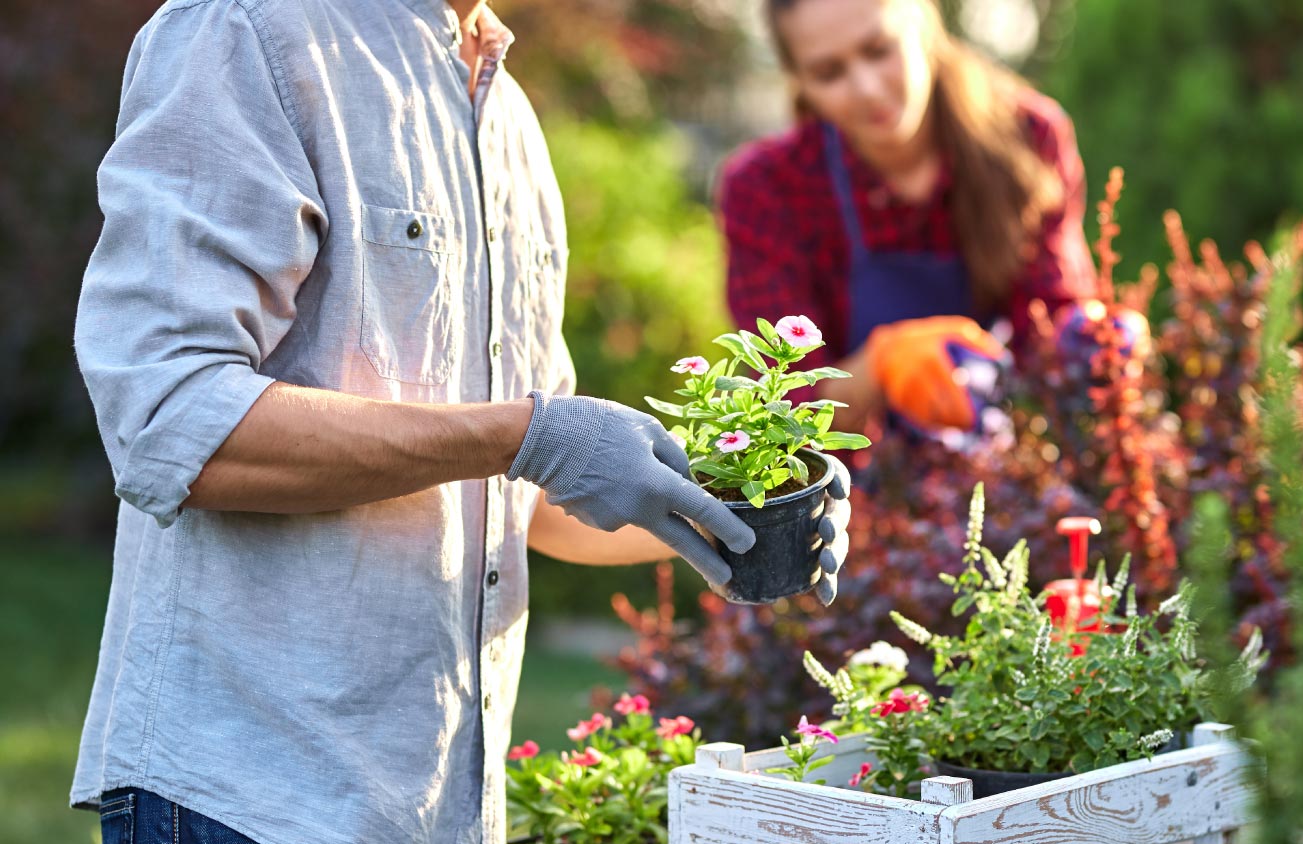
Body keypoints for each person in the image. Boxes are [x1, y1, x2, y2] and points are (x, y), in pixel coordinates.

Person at [70, 1, 850, 842]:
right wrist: (525, 436)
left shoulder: (506, 116)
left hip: (438, 806)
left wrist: (735, 522)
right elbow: (172, 420)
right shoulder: (246, 34)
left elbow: (537, 501)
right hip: (250, 795)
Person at [718, 0, 1102, 446]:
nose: (866, 88)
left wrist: (1093, 345)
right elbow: (785, 407)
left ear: (924, 22)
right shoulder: (766, 189)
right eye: (829, 73)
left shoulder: (1027, 138)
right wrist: (880, 366)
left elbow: (1049, 329)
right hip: (856, 489)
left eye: (879, 49)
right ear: (800, 81)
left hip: (1007, 460)